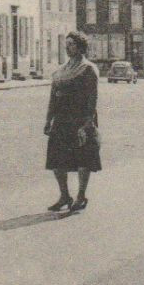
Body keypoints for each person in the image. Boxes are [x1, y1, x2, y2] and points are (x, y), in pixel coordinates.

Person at [45, 32, 100, 213]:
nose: (67, 47)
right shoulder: (61, 71)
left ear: (80, 47)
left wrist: (87, 123)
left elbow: (92, 99)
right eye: (66, 44)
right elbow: (53, 97)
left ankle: (81, 195)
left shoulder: (88, 69)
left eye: (71, 44)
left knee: (83, 158)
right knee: (57, 160)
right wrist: (48, 119)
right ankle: (64, 196)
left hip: (81, 118)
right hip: (61, 119)